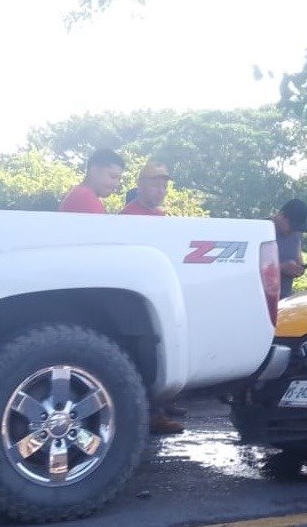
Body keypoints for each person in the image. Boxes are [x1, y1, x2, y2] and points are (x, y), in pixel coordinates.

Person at [117, 161, 187, 435]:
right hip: (138, 296)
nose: (160, 190)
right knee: (145, 354)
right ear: (141, 185)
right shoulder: (127, 215)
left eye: (164, 185)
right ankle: (151, 414)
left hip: (160, 295)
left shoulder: (161, 216)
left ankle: (161, 406)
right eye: (155, 184)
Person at [59, 148, 125, 212]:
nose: (116, 184)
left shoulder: (78, 193)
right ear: (94, 170)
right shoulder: (85, 198)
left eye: (119, 179)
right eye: (113, 177)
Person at [272, 199, 307, 299]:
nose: (293, 232)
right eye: (292, 227)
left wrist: (299, 269)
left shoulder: (296, 235)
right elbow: (249, 267)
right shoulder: (260, 230)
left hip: (284, 299)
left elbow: (298, 258)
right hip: (262, 299)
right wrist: (281, 268)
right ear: (283, 217)